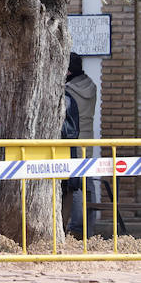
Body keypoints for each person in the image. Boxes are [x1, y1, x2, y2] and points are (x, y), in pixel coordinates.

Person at [65, 52, 99, 238]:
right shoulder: (91, 85)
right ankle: (89, 227)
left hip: (74, 141)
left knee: (76, 185)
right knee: (89, 184)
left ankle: (77, 228)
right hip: (89, 140)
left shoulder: (68, 92)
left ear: (68, 71)